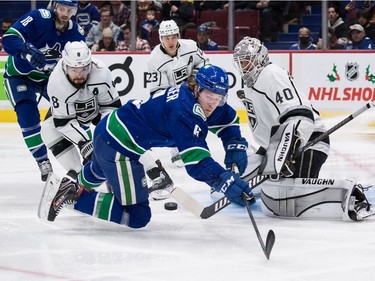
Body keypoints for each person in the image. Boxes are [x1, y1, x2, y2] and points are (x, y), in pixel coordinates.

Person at [39, 64, 254, 227]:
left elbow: (227, 118)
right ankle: (75, 199)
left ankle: (76, 185)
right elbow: (196, 162)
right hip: (120, 146)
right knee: (138, 216)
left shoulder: (196, 97)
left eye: (218, 98)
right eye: (209, 96)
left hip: (108, 129)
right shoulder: (185, 111)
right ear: (196, 88)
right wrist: (223, 180)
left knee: (98, 169)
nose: (212, 104)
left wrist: (234, 142)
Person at [232, 36, 372, 221]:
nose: (243, 68)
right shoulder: (252, 82)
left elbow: (299, 114)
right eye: (240, 63)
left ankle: (352, 195)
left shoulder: (271, 74)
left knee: (284, 198)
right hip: (276, 148)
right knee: (244, 185)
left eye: (247, 62)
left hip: (307, 142)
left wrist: (286, 150)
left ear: (259, 58)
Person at [2, 0, 85, 182]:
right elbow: (9, 39)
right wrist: (27, 50)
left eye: (69, 10)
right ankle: (42, 161)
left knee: (77, 112)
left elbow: (79, 64)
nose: (64, 13)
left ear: (75, 11)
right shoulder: (38, 17)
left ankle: (88, 152)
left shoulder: (77, 33)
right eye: (62, 8)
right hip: (20, 75)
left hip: (50, 79)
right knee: (28, 116)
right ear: (55, 6)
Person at [41, 40, 122, 180]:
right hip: (70, 117)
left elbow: (112, 108)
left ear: (90, 66)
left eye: (83, 69)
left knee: (117, 139)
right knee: (48, 131)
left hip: (94, 112)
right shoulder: (56, 81)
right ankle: (78, 179)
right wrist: (85, 143)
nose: (79, 75)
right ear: (66, 67)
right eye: (74, 70)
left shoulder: (102, 72)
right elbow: (64, 123)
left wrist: (105, 138)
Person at [147, 19, 209, 166]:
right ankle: (175, 148)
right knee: (173, 112)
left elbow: (205, 62)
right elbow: (158, 92)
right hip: (171, 96)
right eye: (167, 38)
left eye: (174, 37)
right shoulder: (154, 60)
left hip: (193, 90)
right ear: (161, 38)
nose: (171, 41)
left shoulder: (191, 46)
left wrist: (194, 76)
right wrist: (179, 95)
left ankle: (196, 141)